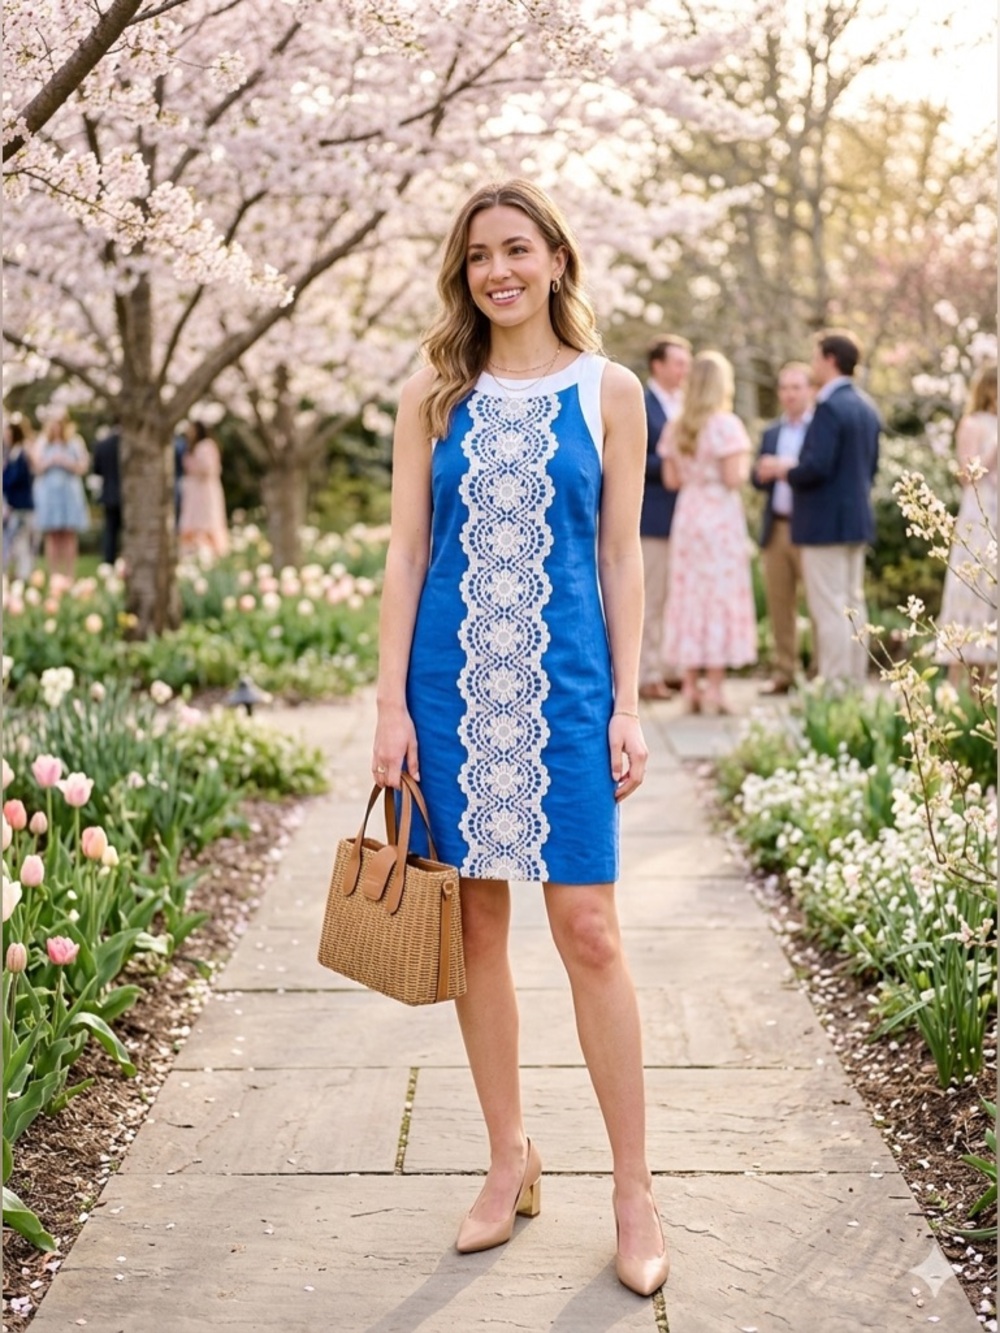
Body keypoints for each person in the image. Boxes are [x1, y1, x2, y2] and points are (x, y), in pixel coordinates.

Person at [370, 179, 669, 1297]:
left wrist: (628, 702)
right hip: (448, 693)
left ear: (554, 258)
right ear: (464, 273)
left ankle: (633, 1187)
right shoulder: (432, 395)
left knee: (588, 928)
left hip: (567, 689)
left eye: (516, 249)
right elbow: (406, 554)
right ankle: (509, 1158)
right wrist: (390, 705)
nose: (497, 270)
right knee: (477, 927)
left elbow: (621, 556)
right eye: (478, 255)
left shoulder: (612, 391)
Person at [757, 329, 880, 686]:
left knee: (830, 610)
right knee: (855, 607)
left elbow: (815, 467)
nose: (812, 366)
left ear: (829, 360)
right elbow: (869, 469)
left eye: (814, 358)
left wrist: (783, 468)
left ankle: (837, 687)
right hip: (856, 522)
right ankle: (855, 683)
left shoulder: (828, 407)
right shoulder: (865, 406)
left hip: (823, 525)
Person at [657, 350, 757, 714]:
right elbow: (733, 477)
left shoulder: (677, 426)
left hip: (688, 515)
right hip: (719, 517)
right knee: (719, 595)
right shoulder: (726, 426)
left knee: (687, 596)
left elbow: (671, 479)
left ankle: (689, 686)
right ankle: (714, 688)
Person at [751, 362, 814, 695]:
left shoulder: (818, 428)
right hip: (776, 526)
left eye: (796, 387)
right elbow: (755, 475)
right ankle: (785, 671)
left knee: (817, 604)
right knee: (780, 604)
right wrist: (762, 472)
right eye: (784, 388)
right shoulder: (773, 432)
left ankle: (817, 673)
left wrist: (786, 469)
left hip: (809, 528)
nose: (789, 394)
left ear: (809, 390)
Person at [935, 363, 997, 686]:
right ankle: (961, 683)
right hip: (980, 512)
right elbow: (966, 476)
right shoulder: (973, 424)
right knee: (973, 587)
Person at [639, 335, 691, 699]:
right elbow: (633, 458)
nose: (684, 370)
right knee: (651, 597)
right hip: (653, 514)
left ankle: (673, 666)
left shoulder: (686, 405)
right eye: (678, 363)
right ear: (658, 365)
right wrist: (673, 465)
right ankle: (647, 673)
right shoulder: (642, 404)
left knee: (678, 597)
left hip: (689, 517)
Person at [31, 406, 90, 580]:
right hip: (50, 493)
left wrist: (66, 463)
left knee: (68, 534)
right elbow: (36, 466)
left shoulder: (75, 441)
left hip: (69, 492)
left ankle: (70, 575)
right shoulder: (43, 441)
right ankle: (55, 575)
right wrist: (50, 461)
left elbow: (83, 467)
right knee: (53, 535)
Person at [178, 420, 229, 557]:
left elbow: (209, 469)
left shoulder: (206, 446)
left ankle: (210, 553)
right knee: (193, 524)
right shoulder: (191, 447)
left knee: (206, 521)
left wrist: (193, 467)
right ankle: (194, 553)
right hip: (194, 492)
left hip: (204, 492)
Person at [2, 414, 36, 581]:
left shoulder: (22, 454)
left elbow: (15, 479)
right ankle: (17, 574)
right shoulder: (11, 454)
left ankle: (23, 574)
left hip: (21, 505)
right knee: (14, 541)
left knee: (20, 541)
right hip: (14, 505)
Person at [91, 422, 123, 565]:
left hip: (109, 492)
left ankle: (109, 562)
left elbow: (96, 469)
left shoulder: (102, 444)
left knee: (110, 531)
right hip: (127, 495)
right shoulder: (129, 444)